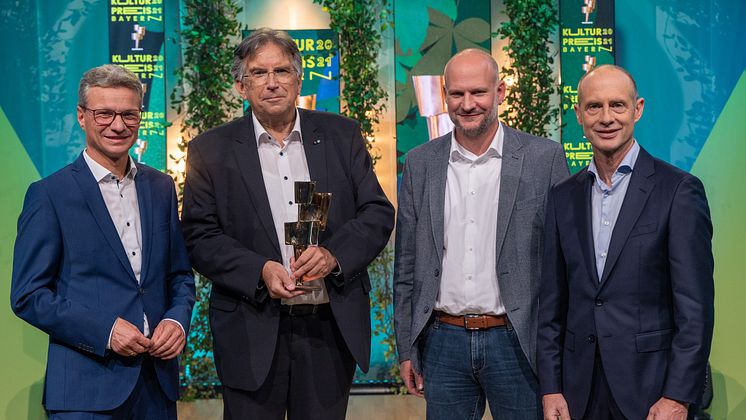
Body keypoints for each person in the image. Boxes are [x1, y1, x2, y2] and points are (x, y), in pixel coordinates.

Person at [180, 28, 394, 420]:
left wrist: (334, 256)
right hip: (252, 326)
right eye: (258, 73)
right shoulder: (210, 150)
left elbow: (377, 212)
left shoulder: (341, 135)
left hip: (329, 326)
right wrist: (259, 270)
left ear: (298, 80)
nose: (272, 82)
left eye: (281, 71)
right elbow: (199, 236)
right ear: (241, 86)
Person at [10, 64, 196, 419]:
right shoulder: (50, 194)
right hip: (85, 393)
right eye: (104, 113)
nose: (118, 125)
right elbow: (28, 295)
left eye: (129, 114)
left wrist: (177, 320)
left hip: (156, 387)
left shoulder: (160, 188)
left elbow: (180, 277)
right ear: (82, 117)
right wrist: (106, 331)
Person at [393, 48, 569, 419]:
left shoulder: (544, 159)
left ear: (500, 92)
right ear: (445, 96)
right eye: (457, 94)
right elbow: (406, 265)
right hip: (443, 343)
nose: (467, 103)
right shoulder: (421, 163)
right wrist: (406, 347)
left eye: (478, 92)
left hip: (518, 341)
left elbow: (564, 263)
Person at [538, 64, 714, 420]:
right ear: (578, 114)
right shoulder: (562, 197)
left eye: (617, 106)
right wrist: (551, 387)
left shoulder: (678, 190)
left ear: (638, 109)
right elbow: (552, 307)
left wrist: (677, 396)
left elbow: (695, 309)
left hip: (651, 393)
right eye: (594, 107)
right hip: (578, 392)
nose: (606, 118)